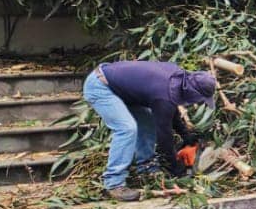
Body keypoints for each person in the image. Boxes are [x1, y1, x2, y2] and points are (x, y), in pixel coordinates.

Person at [83, 61, 217, 201]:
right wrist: (176, 168)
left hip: (123, 90)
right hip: (101, 86)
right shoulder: (163, 94)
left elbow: (171, 113)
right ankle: (114, 183)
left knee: (147, 122)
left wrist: (186, 136)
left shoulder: (178, 80)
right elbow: (164, 136)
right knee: (127, 128)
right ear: (193, 93)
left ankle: (146, 168)